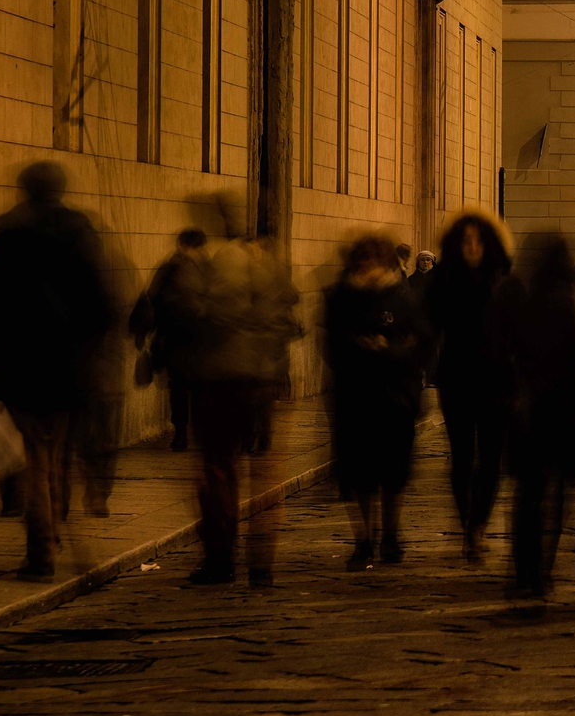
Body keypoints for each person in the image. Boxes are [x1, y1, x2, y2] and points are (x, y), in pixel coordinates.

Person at [0, 162, 115, 580]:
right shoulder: (81, 232)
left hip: (23, 366)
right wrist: (88, 353)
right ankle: (53, 532)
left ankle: (41, 553)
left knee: (36, 458)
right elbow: (102, 305)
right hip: (69, 366)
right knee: (56, 454)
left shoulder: (8, 233)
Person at [185, 205, 299, 585]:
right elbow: (288, 320)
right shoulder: (274, 270)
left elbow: (218, 317)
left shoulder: (228, 260)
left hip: (224, 381)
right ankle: (261, 562)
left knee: (220, 469)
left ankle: (220, 560)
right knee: (263, 471)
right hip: (262, 381)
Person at [324, 233, 429, 570]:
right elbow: (332, 344)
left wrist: (389, 349)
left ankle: (392, 536)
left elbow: (419, 342)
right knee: (359, 473)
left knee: (394, 471)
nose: (366, 264)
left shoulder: (401, 295)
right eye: (361, 258)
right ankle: (364, 539)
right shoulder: (342, 296)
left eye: (372, 257)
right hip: (355, 396)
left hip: (394, 396)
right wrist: (359, 346)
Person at [504, 236, 575, 603]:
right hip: (564, 409)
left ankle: (522, 569)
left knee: (527, 494)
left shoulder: (521, 297)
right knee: (556, 494)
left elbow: (501, 345)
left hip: (527, 410)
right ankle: (543, 571)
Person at [425, 211, 517, 561]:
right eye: (466, 241)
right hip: (457, 378)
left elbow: (519, 329)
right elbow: (426, 325)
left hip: (498, 380)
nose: (473, 247)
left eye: (479, 241)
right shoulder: (444, 280)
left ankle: (478, 525)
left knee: (492, 459)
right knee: (462, 457)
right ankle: (468, 524)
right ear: (456, 244)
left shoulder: (504, 280)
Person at [130, 229, 209, 453]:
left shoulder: (168, 267)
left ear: (181, 244)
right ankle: (196, 432)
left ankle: (181, 434)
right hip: (201, 341)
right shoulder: (209, 270)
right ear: (200, 246)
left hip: (174, 339)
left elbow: (150, 300)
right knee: (200, 389)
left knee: (179, 388)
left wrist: (141, 332)